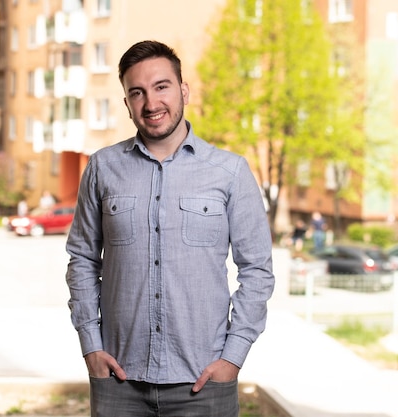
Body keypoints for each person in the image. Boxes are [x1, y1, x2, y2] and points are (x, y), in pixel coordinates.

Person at [65, 40, 275, 417]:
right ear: (127, 103)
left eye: (161, 86)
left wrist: (233, 357)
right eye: (137, 92)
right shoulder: (101, 168)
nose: (151, 103)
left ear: (184, 90)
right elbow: (81, 259)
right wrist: (91, 346)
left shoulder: (230, 172)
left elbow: (257, 271)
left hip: (205, 381)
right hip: (118, 381)